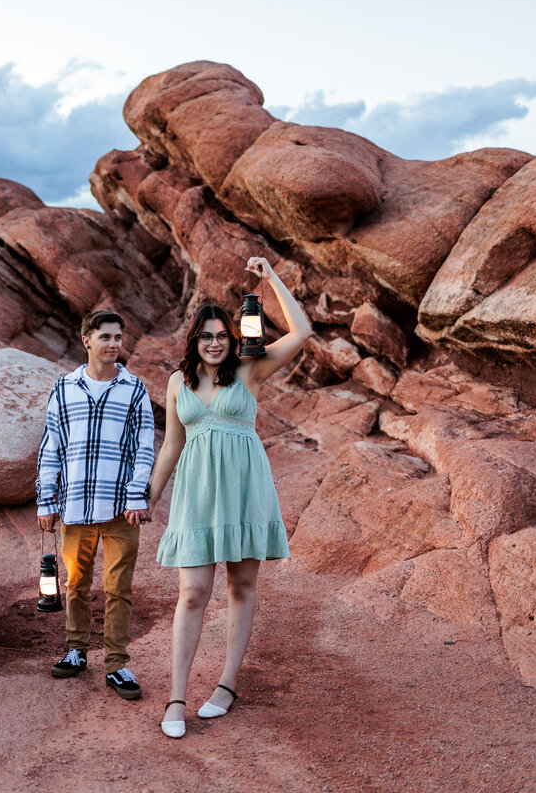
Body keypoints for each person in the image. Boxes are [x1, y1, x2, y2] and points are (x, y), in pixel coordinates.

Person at [149, 256, 313, 738]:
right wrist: (148, 498)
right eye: (207, 336)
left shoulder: (250, 369)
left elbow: (301, 330)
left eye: (223, 335)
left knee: (241, 588)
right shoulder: (178, 382)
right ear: (194, 340)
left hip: (244, 490)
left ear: (233, 337)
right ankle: (177, 698)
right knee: (193, 592)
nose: (216, 343)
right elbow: (172, 445)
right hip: (198, 494)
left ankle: (226, 684)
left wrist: (271, 279)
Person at [36, 310, 154, 700]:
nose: (114, 344)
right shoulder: (64, 388)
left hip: (121, 508)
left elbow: (143, 448)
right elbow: (51, 446)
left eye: (118, 337)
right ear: (86, 340)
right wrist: (46, 500)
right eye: (105, 337)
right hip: (74, 505)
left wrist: (138, 494)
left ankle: (118, 665)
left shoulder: (134, 389)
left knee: (118, 588)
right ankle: (76, 651)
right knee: (75, 584)